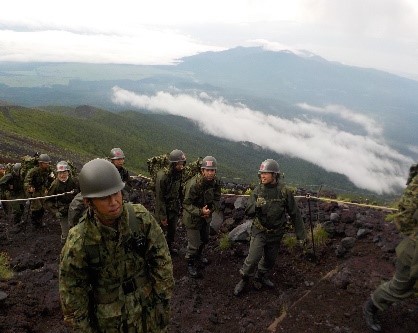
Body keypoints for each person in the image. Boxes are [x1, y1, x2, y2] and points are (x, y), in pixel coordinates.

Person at [59, 158, 174, 332]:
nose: (114, 202)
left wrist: (162, 301)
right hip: (110, 322)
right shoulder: (79, 241)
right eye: (104, 198)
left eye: (116, 194)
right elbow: (73, 297)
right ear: (88, 202)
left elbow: (161, 259)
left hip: (148, 311)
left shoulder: (139, 218)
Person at [233, 159, 306, 296]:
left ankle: (261, 276)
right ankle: (244, 279)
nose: (263, 176)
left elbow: (295, 214)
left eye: (266, 173)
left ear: (275, 175)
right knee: (253, 257)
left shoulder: (284, 192)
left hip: (276, 233)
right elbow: (248, 211)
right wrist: (257, 206)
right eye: (261, 173)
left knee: (270, 260)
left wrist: (301, 235)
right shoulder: (258, 190)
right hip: (260, 230)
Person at [363, 163, 417, 332]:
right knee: (400, 286)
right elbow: (404, 216)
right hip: (414, 249)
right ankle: (371, 306)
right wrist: (413, 240)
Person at [182, 155, 221, 278]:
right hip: (193, 218)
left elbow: (217, 198)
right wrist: (200, 212)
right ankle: (190, 262)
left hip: (206, 217)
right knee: (194, 244)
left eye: (212, 170)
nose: (210, 173)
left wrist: (210, 210)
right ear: (202, 171)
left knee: (204, 239)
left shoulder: (215, 183)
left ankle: (199, 256)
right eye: (207, 170)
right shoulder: (193, 184)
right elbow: (186, 204)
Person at [155, 149, 186, 255]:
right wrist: (163, 216)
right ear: (173, 163)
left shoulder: (179, 174)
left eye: (182, 163)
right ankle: (159, 252)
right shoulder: (162, 176)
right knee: (161, 231)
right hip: (164, 208)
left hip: (174, 207)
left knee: (172, 230)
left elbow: (180, 191)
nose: (181, 166)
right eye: (179, 163)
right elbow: (160, 198)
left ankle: (169, 248)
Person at [44, 161, 79, 244]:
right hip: (63, 211)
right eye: (60, 173)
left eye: (64, 172)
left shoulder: (74, 181)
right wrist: (55, 212)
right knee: (66, 235)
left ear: (68, 173)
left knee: (77, 231)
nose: (62, 175)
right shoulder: (55, 185)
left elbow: (82, 193)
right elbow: (48, 201)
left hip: (76, 209)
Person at [23, 153, 55, 227]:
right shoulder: (33, 171)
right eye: (46, 163)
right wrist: (29, 188)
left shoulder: (48, 170)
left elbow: (53, 175)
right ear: (41, 163)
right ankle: (34, 223)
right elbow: (26, 181)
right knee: (36, 207)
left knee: (43, 207)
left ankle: (39, 221)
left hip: (42, 190)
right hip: (34, 191)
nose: (48, 165)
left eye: (48, 163)